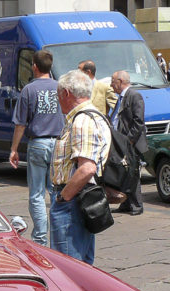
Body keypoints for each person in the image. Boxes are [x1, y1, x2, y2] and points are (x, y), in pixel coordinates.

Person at [49, 69, 111, 265]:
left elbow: (87, 168)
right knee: (82, 265)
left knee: (68, 267)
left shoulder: (82, 121)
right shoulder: (93, 116)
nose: (58, 100)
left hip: (73, 201)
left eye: (58, 95)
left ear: (66, 93)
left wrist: (63, 197)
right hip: (80, 198)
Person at [9, 50, 64, 246]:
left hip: (38, 143)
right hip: (58, 144)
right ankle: (58, 236)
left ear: (34, 66)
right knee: (56, 192)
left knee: (37, 194)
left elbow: (20, 124)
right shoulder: (60, 88)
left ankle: (40, 239)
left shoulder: (29, 90)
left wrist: (14, 149)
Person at [110, 70, 147, 216]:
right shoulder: (120, 97)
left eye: (113, 81)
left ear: (120, 81)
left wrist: (129, 140)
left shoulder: (134, 95)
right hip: (120, 142)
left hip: (130, 143)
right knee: (122, 173)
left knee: (132, 172)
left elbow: (139, 121)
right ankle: (125, 203)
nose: (111, 85)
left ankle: (137, 205)